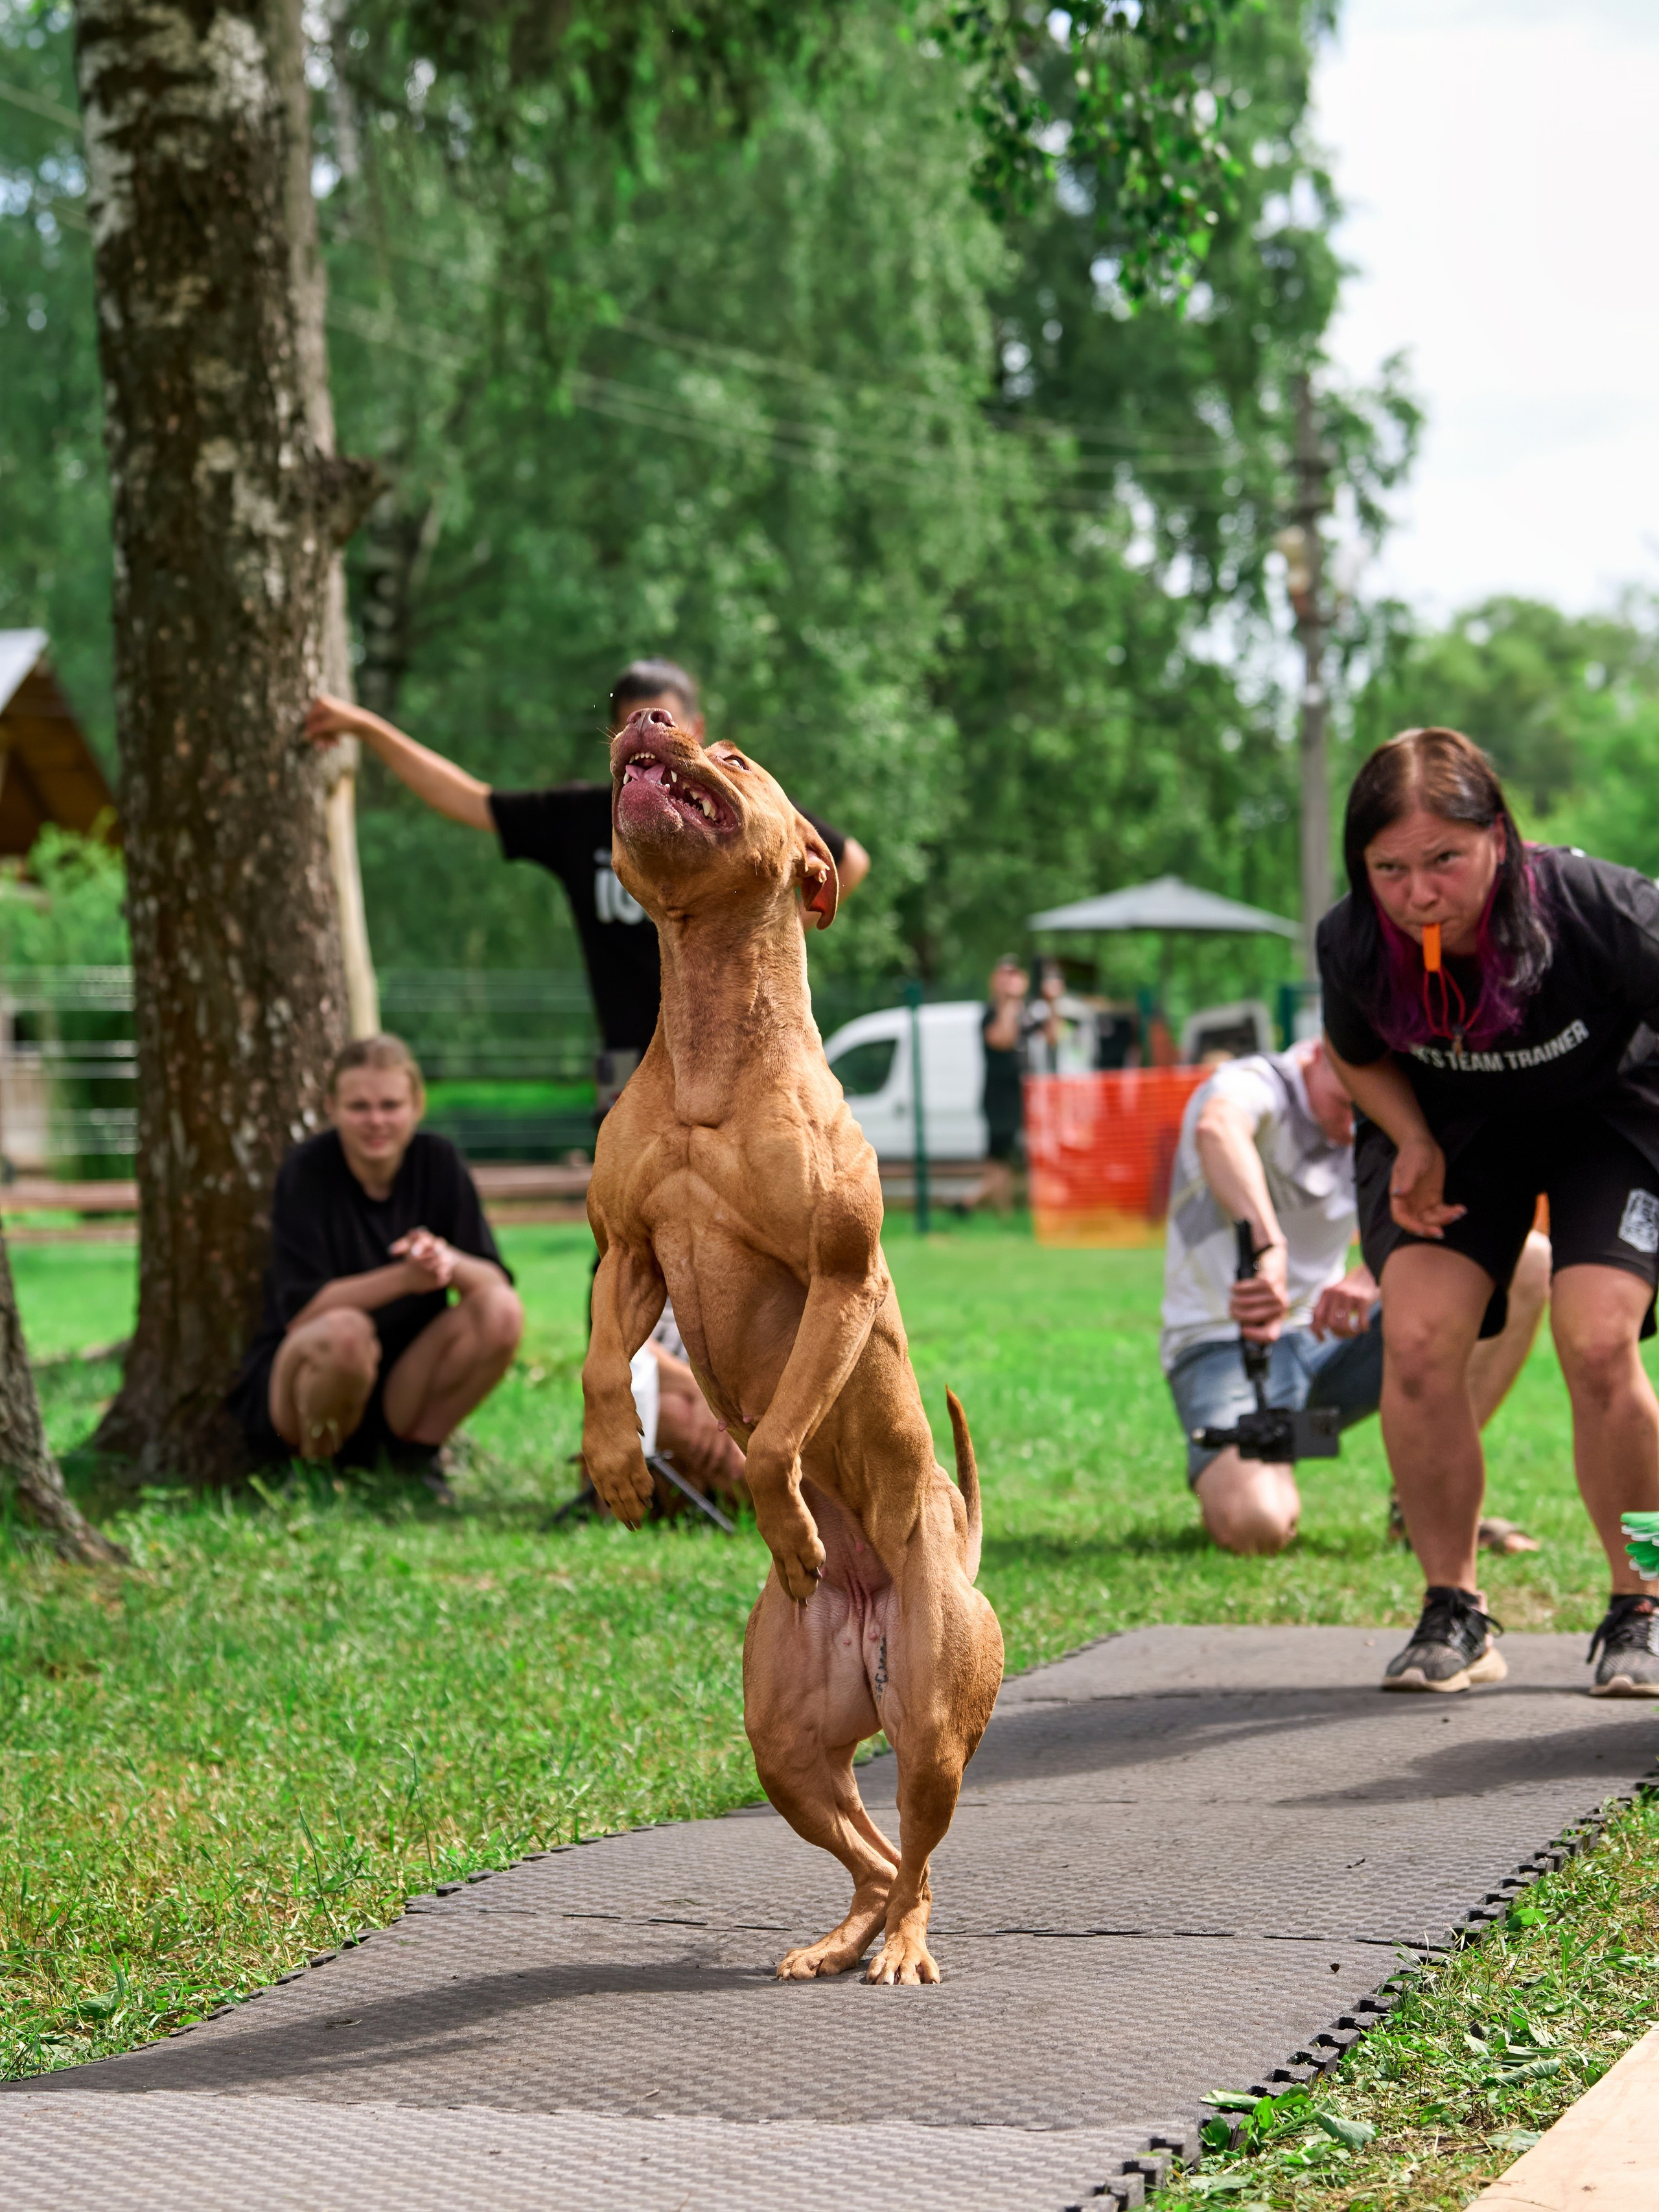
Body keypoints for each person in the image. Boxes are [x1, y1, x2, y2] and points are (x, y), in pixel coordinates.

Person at [1320, 726, 1659, 1696]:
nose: (1419, 893)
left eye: (1444, 861)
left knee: (1600, 1342)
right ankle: (1452, 1609)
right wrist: (1410, 1137)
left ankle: (1645, 1600)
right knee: (1420, 1342)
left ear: (1498, 838)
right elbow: (1352, 1050)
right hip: (1457, 1129)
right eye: (1389, 868)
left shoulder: (1597, 909)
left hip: (1613, 1117)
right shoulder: (1355, 940)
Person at [305, 658, 869, 1113]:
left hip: (736, 1040)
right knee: (627, 1219)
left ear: (695, 729)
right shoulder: (582, 817)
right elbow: (468, 799)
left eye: (664, 721)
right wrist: (365, 727)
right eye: (631, 726)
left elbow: (849, 858)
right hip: (626, 1056)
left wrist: (777, 925)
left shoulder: (742, 815)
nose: (648, 736)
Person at [1164, 1034, 1549, 1554]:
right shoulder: (1254, 1083)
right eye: (1348, 1105)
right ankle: (1258, 1460)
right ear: (1323, 1052)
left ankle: (1422, 1503)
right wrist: (1267, 1243)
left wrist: (1373, 1272)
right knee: (1259, 1526)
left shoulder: (1389, 1111)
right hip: (1226, 1344)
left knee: (1525, 1261)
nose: (1353, 1127)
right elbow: (1218, 1129)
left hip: (1330, 1339)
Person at [227, 1036, 524, 1480]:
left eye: (390, 1105)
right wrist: (406, 1278)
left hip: (409, 1378)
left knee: (501, 1311)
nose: (376, 1121)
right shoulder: (307, 1171)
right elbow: (303, 1311)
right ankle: (314, 1471)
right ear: (331, 1107)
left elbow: (494, 1283)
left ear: (416, 1105)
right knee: (346, 1334)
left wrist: (444, 1260)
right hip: (310, 1374)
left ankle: (416, 1461)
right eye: (359, 1107)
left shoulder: (439, 1161)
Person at [971, 956, 1029, 1215]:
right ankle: (976, 1204)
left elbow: (1054, 1037)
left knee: (1006, 1161)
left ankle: (987, 1209)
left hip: (1023, 1095)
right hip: (999, 1098)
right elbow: (1003, 1039)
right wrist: (1008, 1002)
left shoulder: (1027, 1013)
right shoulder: (989, 1015)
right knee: (999, 1160)